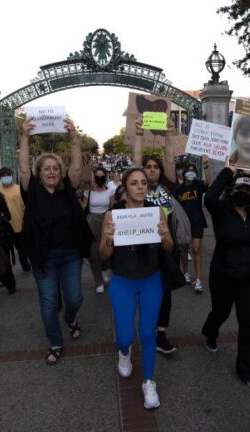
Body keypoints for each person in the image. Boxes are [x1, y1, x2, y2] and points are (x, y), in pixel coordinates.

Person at [19, 117, 94, 366]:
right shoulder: (33, 191)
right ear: (38, 174)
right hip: (44, 258)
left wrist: (74, 137)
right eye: (46, 168)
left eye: (55, 168)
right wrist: (25, 138)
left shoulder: (67, 189)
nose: (51, 171)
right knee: (49, 304)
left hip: (70, 255)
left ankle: (71, 318)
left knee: (75, 298)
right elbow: (21, 169)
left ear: (60, 173)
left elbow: (76, 166)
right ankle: (55, 341)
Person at [99, 167, 174, 410]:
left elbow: (170, 248)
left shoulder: (157, 212)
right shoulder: (112, 215)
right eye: (134, 183)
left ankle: (149, 381)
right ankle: (124, 351)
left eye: (143, 183)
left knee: (147, 334)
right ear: (125, 187)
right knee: (125, 337)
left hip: (151, 280)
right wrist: (108, 239)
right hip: (122, 281)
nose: (141, 187)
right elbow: (103, 255)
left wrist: (165, 237)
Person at [201, 168, 250, 390]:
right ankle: (210, 331)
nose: (244, 192)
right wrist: (228, 171)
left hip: (249, 277)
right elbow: (210, 197)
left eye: (248, 189)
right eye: (239, 188)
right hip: (222, 274)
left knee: (247, 321)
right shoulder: (220, 210)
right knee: (221, 311)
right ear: (231, 190)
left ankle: (247, 370)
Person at [133, 116, 182, 355]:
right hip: (143, 248)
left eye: (155, 167)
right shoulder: (138, 188)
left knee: (166, 290)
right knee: (146, 289)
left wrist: (169, 135)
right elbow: (135, 161)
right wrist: (139, 135)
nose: (151, 170)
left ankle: (161, 334)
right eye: (147, 167)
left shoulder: (167, 186)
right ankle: (146, 328)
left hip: (166, 245)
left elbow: (170, 159)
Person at [173, 159, 211, 293]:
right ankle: (185, 273)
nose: (191, 173)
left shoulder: (198, 185)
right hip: (183, 223)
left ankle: (198, 279)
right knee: (184, 249)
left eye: (193, 171)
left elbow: (208, 182)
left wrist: (206, 166)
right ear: (184, 173)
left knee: (196, 249)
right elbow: (174, 207)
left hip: (197, 221)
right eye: (188, 171)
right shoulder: (178, 189)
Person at [86, 166, 116, 293]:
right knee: (93, 251)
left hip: (106, 219)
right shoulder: (88, 192)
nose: (99, 179)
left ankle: (104, 269)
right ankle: (98, 281)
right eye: (97, 176)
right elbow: (81, 206)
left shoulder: (110, 191)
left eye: (101, 176)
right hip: (92, 221)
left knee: (106, 248)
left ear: (105, 177)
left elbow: (113, 206)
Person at [0, 166, 31, 272]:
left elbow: (26, 206)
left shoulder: (19, 189)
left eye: (8, 175)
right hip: (4, 228)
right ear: (0, 177)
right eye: (3, 176)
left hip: (19, 226)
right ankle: (7, 276)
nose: (6, 177)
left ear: (12, 176)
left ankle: (25, 265)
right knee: (4, 253)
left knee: (22, 251)